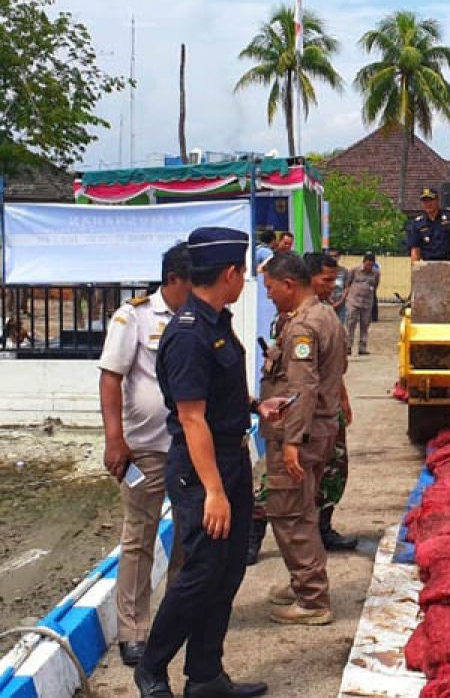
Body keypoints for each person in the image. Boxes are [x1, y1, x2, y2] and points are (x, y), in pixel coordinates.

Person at [134, 226, 280, 698]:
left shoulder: (217, 322)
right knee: (200, 572)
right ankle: (152, 668)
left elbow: (218, 396)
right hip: (202, 470)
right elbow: (191, 419)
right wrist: (214, 491)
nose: (246, 281)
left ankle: (205, 675)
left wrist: (256, 406)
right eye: (244, 273)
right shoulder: (188, 335)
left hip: (230, 458)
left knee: (228, 569)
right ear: (230, 273)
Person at [99, 242, 191, 668]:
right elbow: (111, 379)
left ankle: (176, 619)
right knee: (139, 538)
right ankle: (133, 631)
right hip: (145, 449)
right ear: (173, 279)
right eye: (193, 282)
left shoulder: (197, 317)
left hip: (189, 446)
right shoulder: (133, 317)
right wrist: (114, 439)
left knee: (190, 536)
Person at [259, 252, 347, 625]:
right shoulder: (325, 314)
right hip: (321, 428)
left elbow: (302, 388)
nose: (269, 296)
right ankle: (304, 582)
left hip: (301, 434)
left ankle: (312, 599)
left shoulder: (302, 328)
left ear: (289, 285)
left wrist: (292, 440)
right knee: (303, 508)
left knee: (291, 512)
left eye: (271, 289)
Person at [303, 252, 356, 551]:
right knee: (284, 480)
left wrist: (343, 399)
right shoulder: (297, 317)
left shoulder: (326, 312)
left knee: (335, 469)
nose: (332, 285)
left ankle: (323, 527)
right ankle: (253, 535)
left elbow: (332, 366)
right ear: (308, 278)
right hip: (308, 411)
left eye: (334, 279)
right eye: (326, 280)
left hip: (330, 405)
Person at [408, 188, 450, 262]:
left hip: (449, 263)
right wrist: (414, 269)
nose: (428, 204)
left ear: (437, 200)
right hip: (427, 264)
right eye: (425, 201)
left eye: (431, 200)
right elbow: (415, 249)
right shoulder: (418, 223)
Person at [344, 253, 379, 355]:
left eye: (371, 265)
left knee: (365, 324)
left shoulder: (376, 273)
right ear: (363, 262)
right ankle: (348, 346)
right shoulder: (354, 271)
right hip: (353, 301)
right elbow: (347, 283)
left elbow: (376, 285)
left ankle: (362, 348)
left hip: (367, 303)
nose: (369, 267)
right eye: (367, 264)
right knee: (350, 324)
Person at [327, 249, 349, 324]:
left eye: (335, 256)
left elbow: (346, 287)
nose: (333, 258)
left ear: (339, 257)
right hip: (327, 302)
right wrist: (329, 300)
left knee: (340, 325)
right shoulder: (324, 270)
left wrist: (341, 300)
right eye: (330, 256)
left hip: (341, 303)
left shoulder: (344, 271)